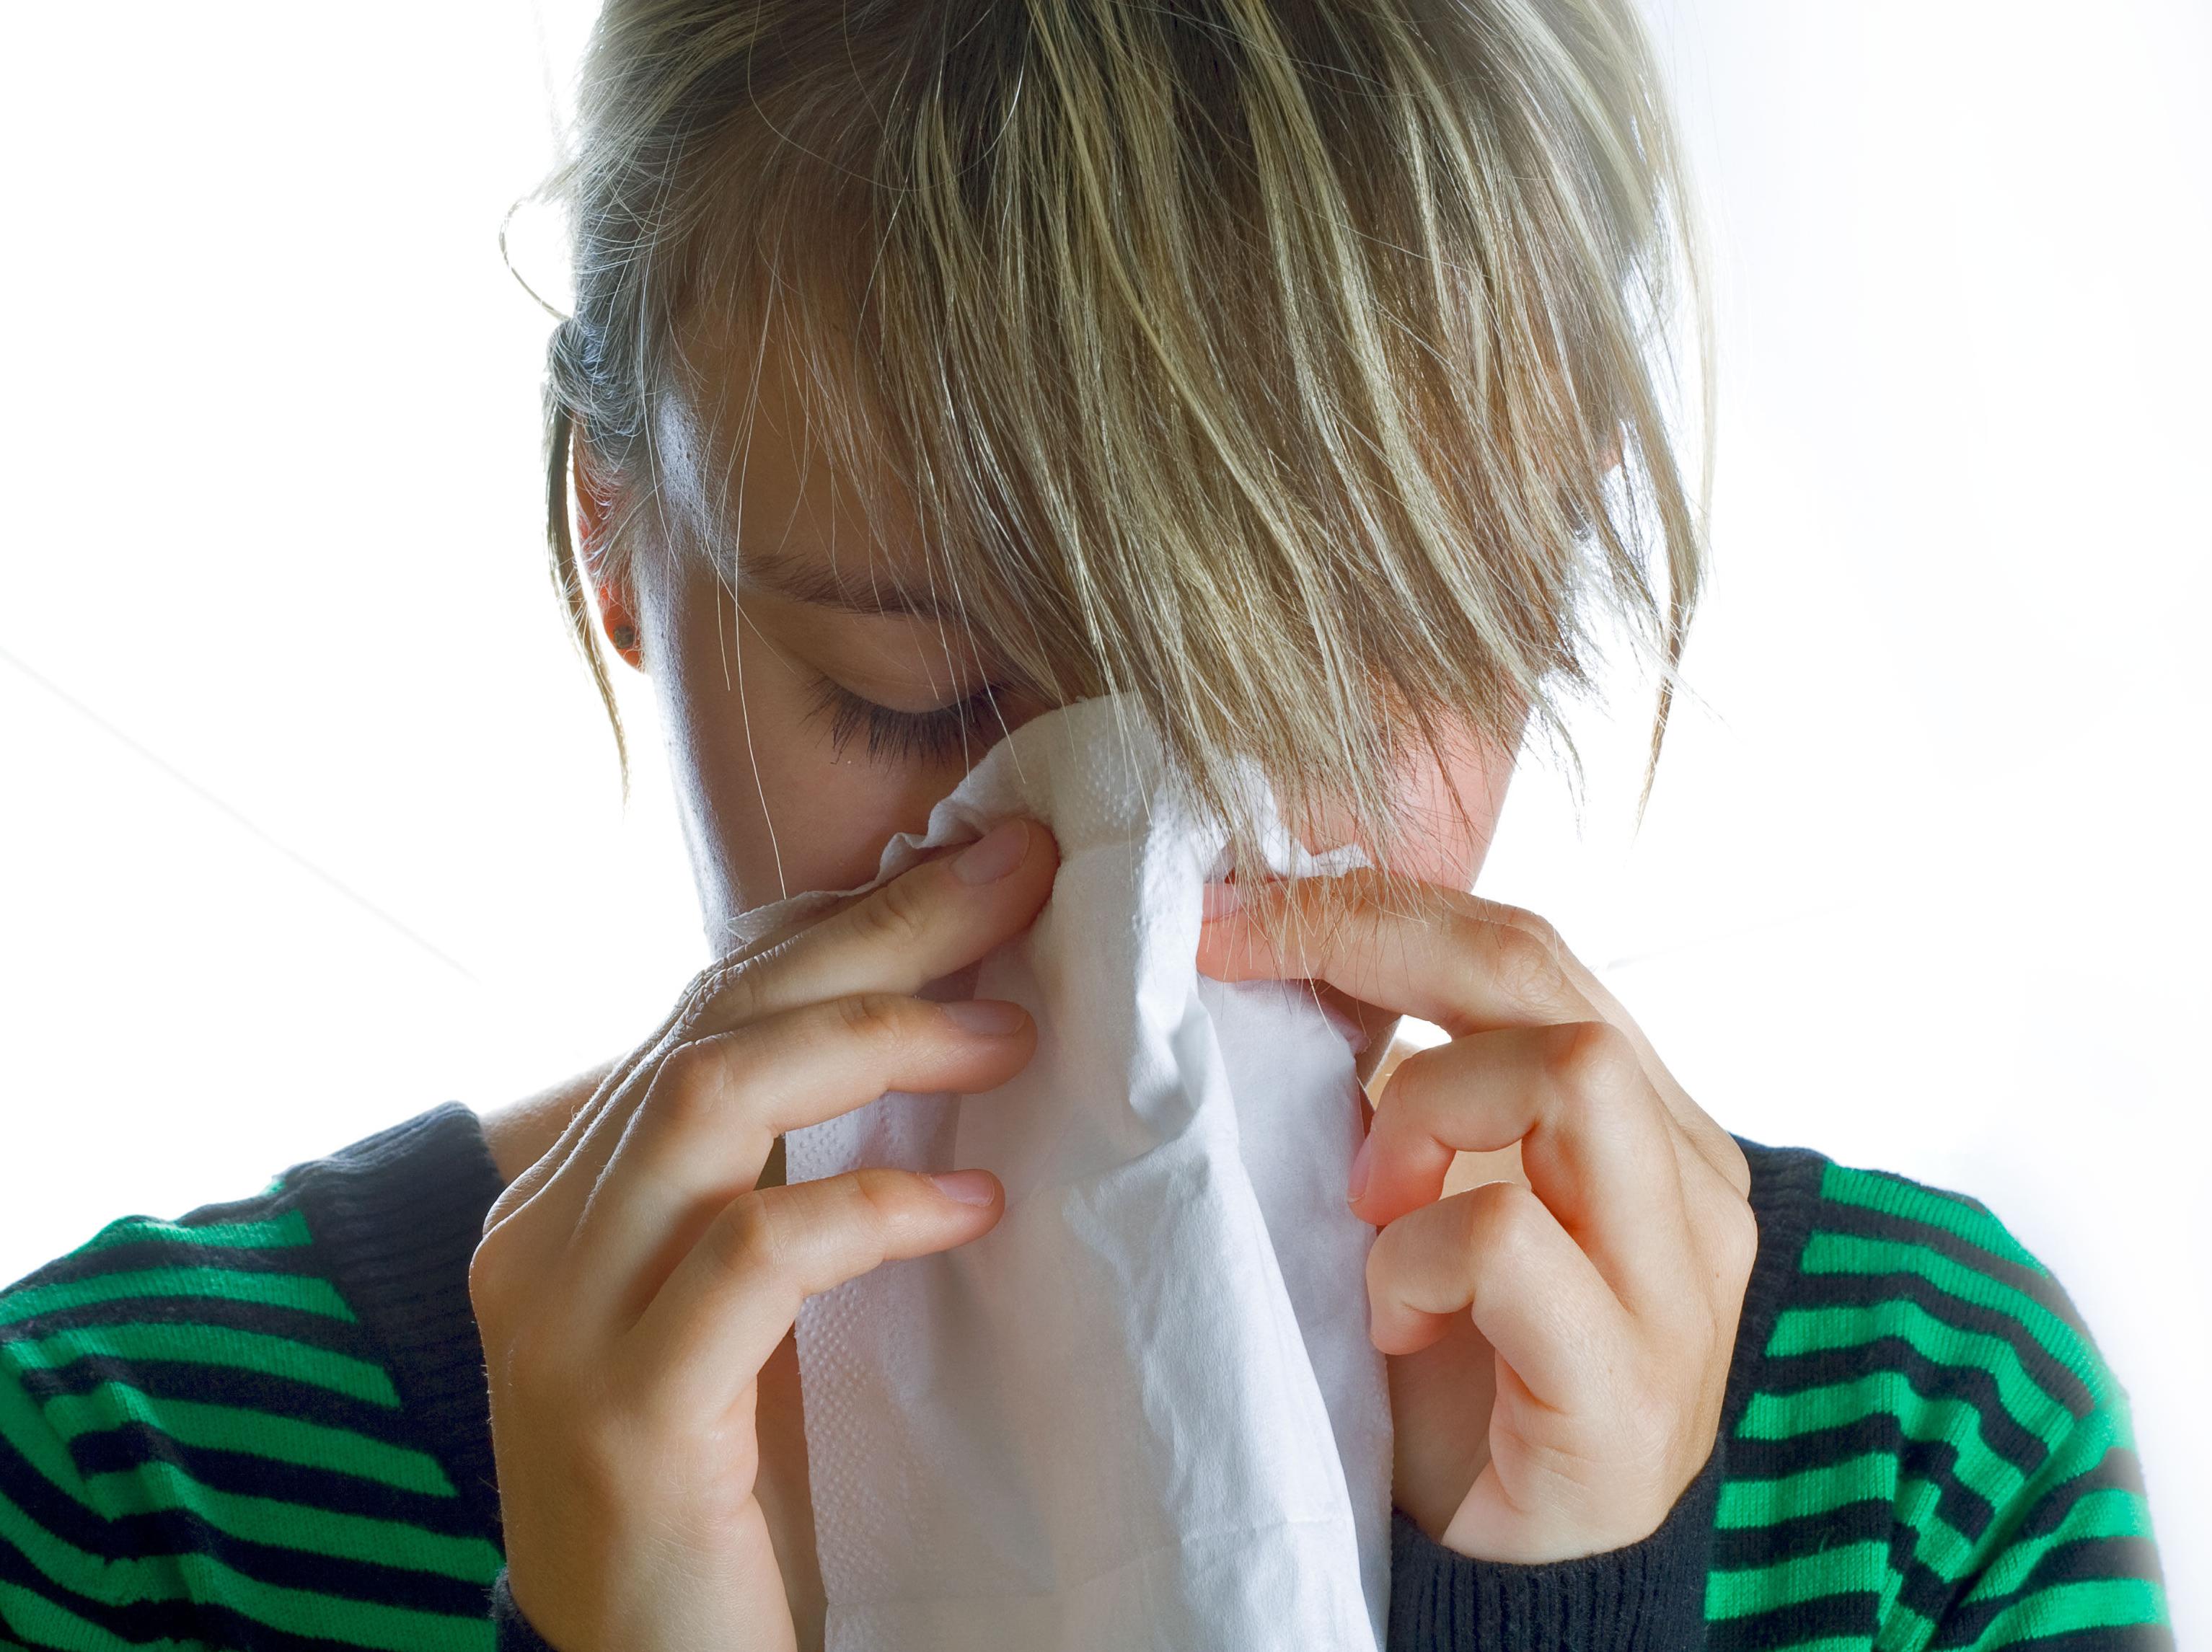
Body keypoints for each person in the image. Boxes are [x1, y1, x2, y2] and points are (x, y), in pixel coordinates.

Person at [0, 0, 2174, 1648]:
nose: (1131, 895)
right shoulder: (119, 1478)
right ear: (611, 534)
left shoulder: (1912, 1457)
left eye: (1323, 695)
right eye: (918, 698)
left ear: (1542, 581)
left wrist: (1562, 1600)